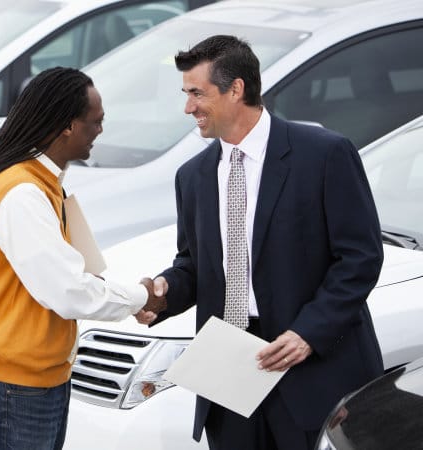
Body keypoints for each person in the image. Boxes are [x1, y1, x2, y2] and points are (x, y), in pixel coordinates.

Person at [139, 35, 385, 449]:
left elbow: (360, 258)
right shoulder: (193, 176)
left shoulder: (324, 154)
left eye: (197, 93)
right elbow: (196, 266)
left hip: (313, 373)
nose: (188, 108)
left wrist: (309, 332)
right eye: (186, 94)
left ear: (236, 89)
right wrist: (163, 294)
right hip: (230, 379)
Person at [0, 67, 165, 450]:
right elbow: (68, 291)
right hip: (14, 386)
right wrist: (140, 296)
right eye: (95, 123)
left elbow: (72, 274)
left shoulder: (41, 183)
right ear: (67, 126)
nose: (100, 131)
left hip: (32, 380)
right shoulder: (22, 193)